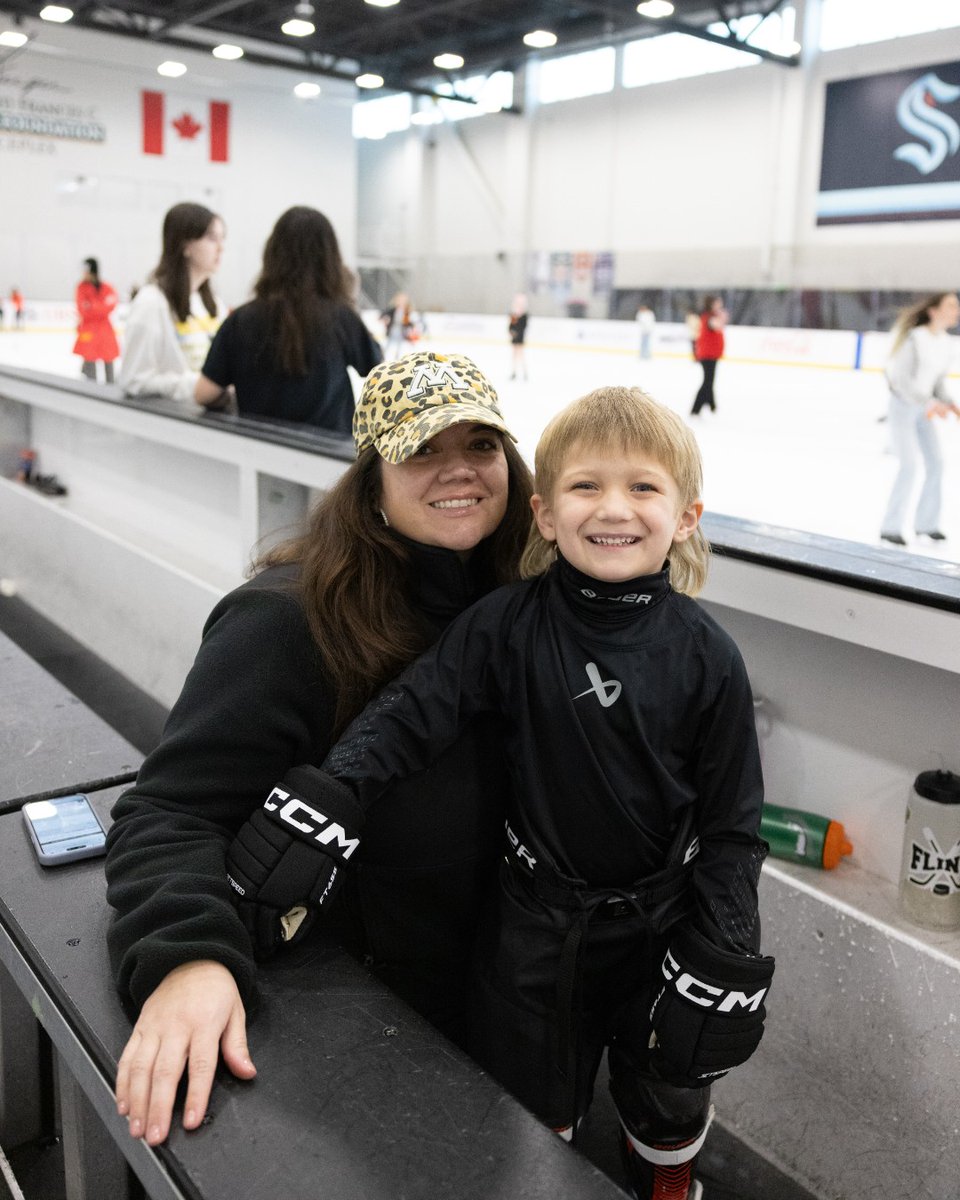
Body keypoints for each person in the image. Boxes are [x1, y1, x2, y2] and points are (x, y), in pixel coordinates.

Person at [233, 386, 774, 1200]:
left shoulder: (709, 658)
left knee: (667, 1091)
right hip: (532, 929)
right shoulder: (505, 624)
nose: (613, 509)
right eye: (586, 486)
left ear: (687, 516)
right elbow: (412, 714)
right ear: (545, 514)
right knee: (530, 1105)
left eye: (643, 488)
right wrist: (329, 797)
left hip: (659, 927)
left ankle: (667, 1181)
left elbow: (733, 825)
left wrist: (726, 943)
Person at [104, 349, 534, 1147]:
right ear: (372, 476)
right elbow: (167, 812)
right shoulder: (289, 623)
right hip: (356, 1025)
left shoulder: (522, 612)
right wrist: (188, 957)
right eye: (423, 449)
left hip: (498, 1007)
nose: (461, 470)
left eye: (481, 445)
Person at [195, 207, 382, 431]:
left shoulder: (240, 321)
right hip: (329, 454)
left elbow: (204, 394)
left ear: (272, 253)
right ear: (330, 258)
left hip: (259, 452)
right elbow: (380, 371)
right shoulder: (341, 319)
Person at [119, 203, 226, 403]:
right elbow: (134, 381)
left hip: (211, 424)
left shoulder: (213, 305)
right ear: (185, 245)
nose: (221, 248)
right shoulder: (151, 303)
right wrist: (199, 387)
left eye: (222, 239)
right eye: (212, 238)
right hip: (172, 425)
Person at [880, 291, 960, 546]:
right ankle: (890, 527)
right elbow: (902, 381)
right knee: (909, 465)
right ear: (933, 311)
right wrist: (931, 403)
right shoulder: (915, 339)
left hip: (923, 410)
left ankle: (927, 524)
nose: (956, 310)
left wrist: (949, 402)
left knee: (936, 462)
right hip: (903, 407)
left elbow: (935, 381)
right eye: (950, 305)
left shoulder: (946, 343)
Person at [73, 257, 120, 383]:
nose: (83, 274)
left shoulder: (106, 287)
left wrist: (92, 306)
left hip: (104, 330)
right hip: (89, 329)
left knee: (108, 359)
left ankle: (111, 387)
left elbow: (112, 303)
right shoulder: (81, 288)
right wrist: (100, 306)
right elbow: (83, 309)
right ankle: (91, 390)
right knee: (89, 359)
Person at [690, 296, 727, 416]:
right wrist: (722, 317)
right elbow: (717, 325)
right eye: (717, 302)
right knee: (707, 381)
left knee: (709, 381)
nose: (720, 304)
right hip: (708, 355)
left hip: (710, 354)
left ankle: (712, 405)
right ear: (712, 304)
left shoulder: (709, 316)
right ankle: (696, 408)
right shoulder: (709, 317)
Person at [379, 291, 416, 360]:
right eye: (399, 300)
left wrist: (412, 327)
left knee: (400, 348)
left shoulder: (406, 311)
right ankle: (382, 358)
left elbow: (409, 323)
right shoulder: (392, 310)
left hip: (401, 332)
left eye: (403, 300)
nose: (401, 302)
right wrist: (385, 320)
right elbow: (382, 315)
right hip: (392, 331)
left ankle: (398, 359)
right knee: (388, 346)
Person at [508, 292, 529, 380]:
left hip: (520, 337)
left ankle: (524, 372)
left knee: (520, 355)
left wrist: (517, 333)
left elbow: (524, 327)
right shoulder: (513, 315)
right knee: (514, 355)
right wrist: (512, 332)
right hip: (515, 338)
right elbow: (510, 326)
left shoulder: (524, 315)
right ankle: (514, 372)